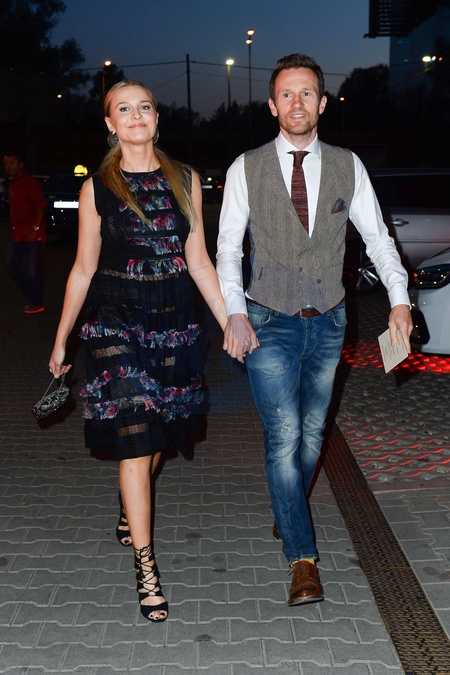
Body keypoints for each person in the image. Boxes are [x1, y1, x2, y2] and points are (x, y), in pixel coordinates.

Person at [216, 53, 413, 607]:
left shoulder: (348, 165)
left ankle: (288, 509)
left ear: (322, 103)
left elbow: (378, 240)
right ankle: (302, 559)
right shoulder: (245, 167)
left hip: (329, 322)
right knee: (283, 438)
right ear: (272, 105)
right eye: (287, 94)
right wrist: (234, 310)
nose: (296, 103)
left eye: (306, 93)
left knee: (311, 435)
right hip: (267, 322)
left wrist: (399, 302)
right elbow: (228, 247)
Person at [49, 79, 227, 622]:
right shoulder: (98, 188)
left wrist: (231, 323)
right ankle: (147, 568)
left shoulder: (185, 180)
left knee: (159, 437)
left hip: (174, 323)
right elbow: (83, 269)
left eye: (144, 106)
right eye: (123, 109)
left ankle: (131, 506)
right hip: (115, 325)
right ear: (110, 124)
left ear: (156, 116)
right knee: (135, 438)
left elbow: (199, 261)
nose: (135, 115)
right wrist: (60, 338)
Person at [3, 152, 48, 313]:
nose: (8, 167)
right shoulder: (12, 183)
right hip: (19, 234)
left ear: (21, 165)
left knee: (34, 270)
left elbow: (41, 205)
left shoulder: (29, 182)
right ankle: (33, 294)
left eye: (12, 163)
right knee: (11, 264)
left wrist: (35, 228)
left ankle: (36, 303)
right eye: (6, 164)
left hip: (33, 234)